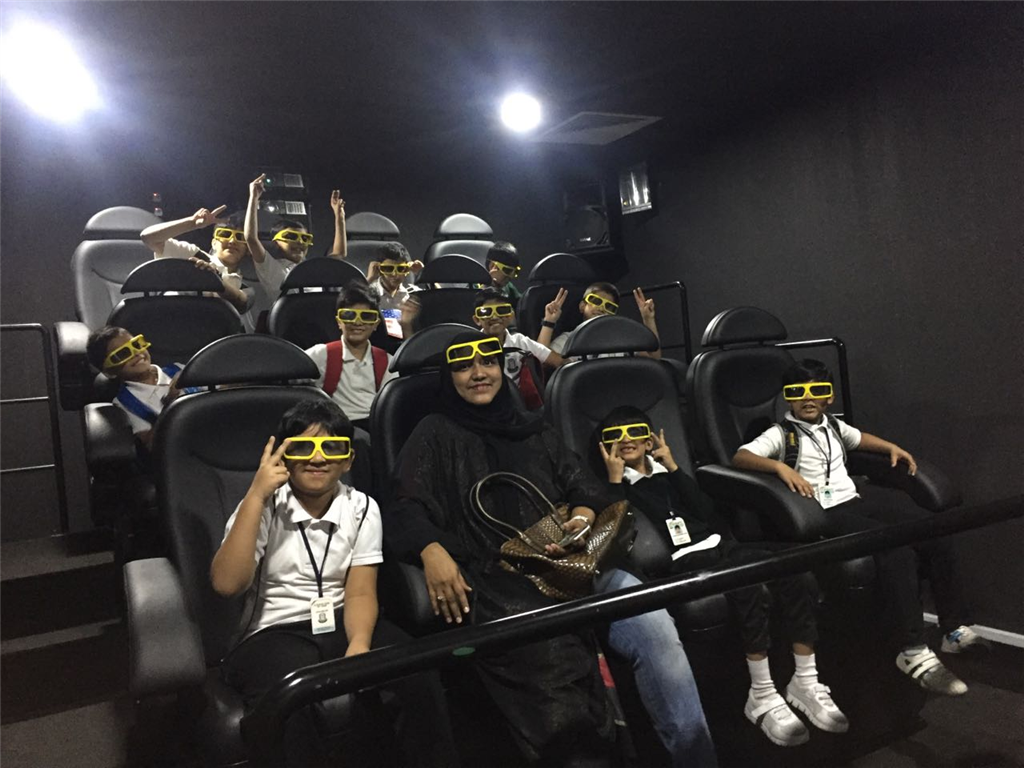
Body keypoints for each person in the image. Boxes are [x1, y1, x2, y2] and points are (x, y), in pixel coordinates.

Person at [385, 332, 716, 768]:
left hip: (579, 564)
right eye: (464, 367)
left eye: (488, 362)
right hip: (502, 581)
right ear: (450, 377)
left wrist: (581, 519)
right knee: (557, 676)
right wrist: (432, 550)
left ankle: (696, 759)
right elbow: (403, 506)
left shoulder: (533, 427)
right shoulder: (434, 432)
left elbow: (584, 488)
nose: (479, 373)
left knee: (659, 633)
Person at [211, 400, 458, 768]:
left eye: (332, 448)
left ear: (348, 460)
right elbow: (227, 584)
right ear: (284, 456)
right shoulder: (264, 505)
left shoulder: (361, 507)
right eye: (302, 448)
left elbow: (360, 590)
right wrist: (257, 495)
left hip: (343, 619)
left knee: (418, 675)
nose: (317, 458)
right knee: (291, 702)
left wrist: (359, 645)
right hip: (274, 631)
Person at [598, 406, 849, 746]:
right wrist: (615, 480)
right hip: (682, 559)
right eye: (615, 436)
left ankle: (805, 679)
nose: (626, 440)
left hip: (719, 545)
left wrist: (672, 467)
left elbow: (705, 511)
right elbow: (616, 526)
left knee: (793, 567)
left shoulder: (667, 474)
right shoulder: (616, 487)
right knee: (747, 581)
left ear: (649, 440)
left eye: (635, 432)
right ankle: (761, 692)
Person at [733, 359, 983, 695]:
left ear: (829, 397)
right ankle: (911, 649)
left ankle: (953, 628)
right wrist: (780, 468)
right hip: (819, 512)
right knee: (894, 547)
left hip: (853, 500)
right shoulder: (781, 434)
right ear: (787, 398)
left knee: (932, 530)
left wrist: (890, 447)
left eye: (817, 390)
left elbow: (859, 439)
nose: (807, 398)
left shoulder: (834, 426)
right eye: (797, 392)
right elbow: (742, 457)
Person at [139, 205, 257, 329]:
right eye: (225, 234)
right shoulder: (194, 254)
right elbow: (148, 238)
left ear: (248, 249)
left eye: (240, 237)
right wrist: (192, 223)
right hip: (174, 326)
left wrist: (213, 278)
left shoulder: (244, 286)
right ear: (214, 243)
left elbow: (241, 302)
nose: (232, 241)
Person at [86, 326, 196, 450]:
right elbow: (151, 444)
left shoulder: (180, 369)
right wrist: (170, 402)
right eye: (123, 354)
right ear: (110, 372)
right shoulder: (125, 403)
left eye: (136, 345)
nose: (136, 353)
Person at [304, 286, 397, 433]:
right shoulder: (322, 354)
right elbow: (292, 372)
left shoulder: (387, 361)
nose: (358, 322)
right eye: (349, 315)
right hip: (337, 428)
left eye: (366, 316)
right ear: (339, 322)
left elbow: (390, 405)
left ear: (376, 324)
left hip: (376, 426)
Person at [244, 174, 348, 298]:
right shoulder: (270, 266)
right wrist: (254, 198)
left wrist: (339, 216)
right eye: (291, 237)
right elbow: (251, 238)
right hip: (288, 310)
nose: (300, 242)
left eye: (305, 238)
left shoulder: (313, 269)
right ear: (276, 242)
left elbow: (339, 254)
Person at [472, 288, 563, 409]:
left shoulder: (520, 342)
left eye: (502, 310)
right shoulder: (470, 347)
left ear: (511, 316)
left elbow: (558, 361)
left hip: (518, 407)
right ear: (477, 319)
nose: (494, 316)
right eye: (486, 312)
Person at [541, 282, 660, 360]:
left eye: (609, 307)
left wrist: (648, 318)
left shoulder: (623, 340)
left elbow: (654, 359)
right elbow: (540, 358)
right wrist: (549, 322)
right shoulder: (569, 339)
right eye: (596, 301)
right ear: (582, 306)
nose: (602, 308)